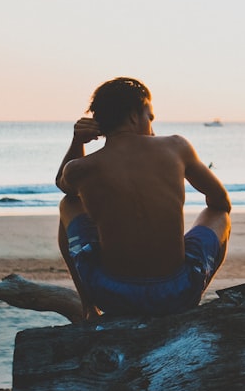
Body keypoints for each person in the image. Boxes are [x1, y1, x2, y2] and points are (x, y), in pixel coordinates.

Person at [56, 77, 231, 318]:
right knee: (220, 216)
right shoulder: (176, 147)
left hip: (111, 295)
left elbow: (64, 186)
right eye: (149, 117)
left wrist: (78, 141)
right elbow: (221, 201)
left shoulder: (81, 169)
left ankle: (89, 307)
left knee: (69, 204)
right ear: (132, 116)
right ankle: (193, 300)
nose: (152, 126)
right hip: (178, 292)